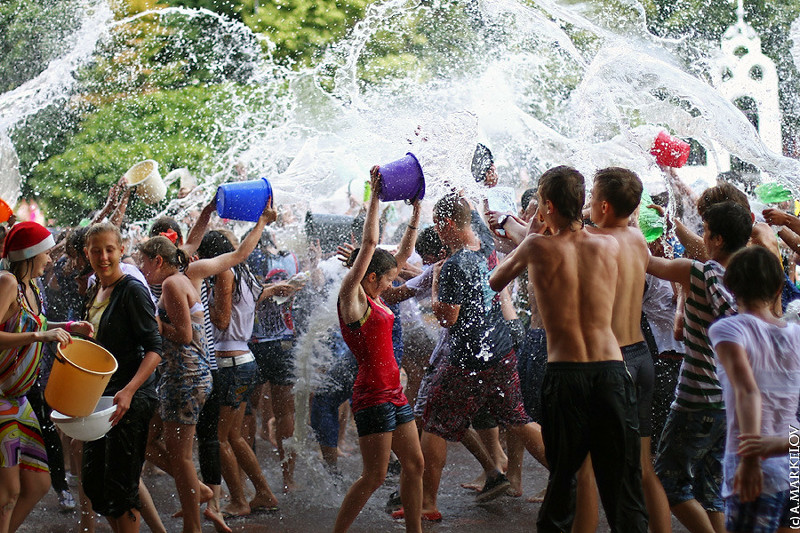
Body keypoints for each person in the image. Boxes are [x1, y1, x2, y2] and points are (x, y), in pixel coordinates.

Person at [489, 166, 648, 532]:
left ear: (546, 205)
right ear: (582, 203)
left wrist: (528, 232)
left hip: (566, 376)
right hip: (612, 371)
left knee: (563, 483)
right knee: (623, 488)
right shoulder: (608, 243)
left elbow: (495, 281)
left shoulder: (536, 246)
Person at [417, 193, 546, 521]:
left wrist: (434, 285)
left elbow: (448, 318)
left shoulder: (452, 266)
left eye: (437, 224)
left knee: (434, 425)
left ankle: (427, 504)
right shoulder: (487, 246)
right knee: (518, 417)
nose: (436, 231)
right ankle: (570, 475)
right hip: (501, 349)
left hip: (467, 360)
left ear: (447, 225)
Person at [647, 201, 753, 533]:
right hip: (729, 402)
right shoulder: (747, 277)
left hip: (696, 400)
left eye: (705, 231)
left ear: (718, 239)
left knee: (666, 482)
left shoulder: (699, 272)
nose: (701, 238)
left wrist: (630, 226)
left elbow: (649, 263)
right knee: (710, 488)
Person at [333, 166, 424, 533]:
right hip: (371, 396)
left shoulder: (377, 296)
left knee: (415, 464)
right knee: (373, 476)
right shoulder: (353, 299)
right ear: (370, 276)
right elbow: (370, 246)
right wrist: (376, 195)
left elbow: (400, 254)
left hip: (394, 393)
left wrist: (416, 210)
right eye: (386, 279)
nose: (391, 284)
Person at [587, 167, 671, 532]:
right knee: (643, 465)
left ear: (604, 205)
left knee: (591, 465)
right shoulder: (637, 239)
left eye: (590, 198)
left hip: (613, 361)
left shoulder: (593, 242)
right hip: (641, 357)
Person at [0, 222, 92, 533]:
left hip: (19, 399)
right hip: (1, 398)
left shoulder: (33, 286)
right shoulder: (7, 282)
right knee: (8, 492)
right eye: (47, 253)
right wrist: (41, 336)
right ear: (30, 254)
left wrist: (68, 327)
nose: (51, 259)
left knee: (38, 483)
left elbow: (30, 326)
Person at [708, 246, 800, 533]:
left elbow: (748, 390)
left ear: (731, 286)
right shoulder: (796, 334)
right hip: (793, 465)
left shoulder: (730, 330)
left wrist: (750, 459)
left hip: (755, 467)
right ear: (777, 288)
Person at [80, 222, 162, 533]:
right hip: (101, 399)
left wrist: (129, 391)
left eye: (110, 249)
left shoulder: (132, 289)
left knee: (121, 489)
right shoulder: (95, 289)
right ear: (88, 253)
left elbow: (155, 348)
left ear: (122, 250)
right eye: (97, 250)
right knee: (96, 486)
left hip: (129, 399)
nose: (104, 256)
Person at [136, 236, 212, 533]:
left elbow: (183, 335)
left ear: (157, 260)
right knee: (145, 442)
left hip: (186, 377)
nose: (142, 269)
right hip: (179, 378)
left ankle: (192, 527)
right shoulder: (179, 280)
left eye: (143, 262)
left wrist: (156, 326)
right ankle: (199, 490)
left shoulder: (171, 284)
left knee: (181, 457)